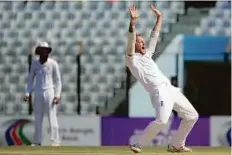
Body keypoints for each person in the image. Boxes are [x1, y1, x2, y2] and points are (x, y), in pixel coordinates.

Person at [126, 4, 199, 153]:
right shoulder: (132, 60)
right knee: (162, 121)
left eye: (142, 41)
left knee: (192, 116)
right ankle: (138, 144)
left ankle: (177, 145)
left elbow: (154, 35)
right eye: (139, 41)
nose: (143, 42)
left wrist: (160, 17)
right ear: (134, 45)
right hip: (158, 91)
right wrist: (132, 23)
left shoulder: (147, 54)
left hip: (170, 89)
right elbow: (130, 41)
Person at [23, 42, 62, 146]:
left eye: (46, 50)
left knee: (52, 116)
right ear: (39, 51)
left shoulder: (53, 63)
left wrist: (57, 95)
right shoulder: (34, 64)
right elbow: (30, 80)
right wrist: (27, 93)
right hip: (38, 92)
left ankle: (55, 140)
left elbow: (58, 81)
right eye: (42, 50)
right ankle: (37, 141)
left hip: (50, 92)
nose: (44, 52)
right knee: (38, 117)